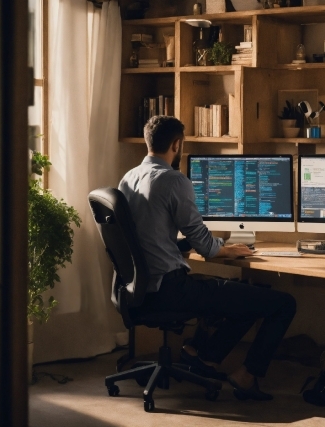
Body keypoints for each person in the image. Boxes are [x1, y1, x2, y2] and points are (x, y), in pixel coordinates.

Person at [118, 115, 297, 401]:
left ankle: (202, 355)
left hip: (138, 289)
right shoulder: (173, 180)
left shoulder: (128, 178)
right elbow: (207, 247)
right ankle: (245, 376)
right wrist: (225, 249)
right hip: (171, 290)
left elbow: (146, 234)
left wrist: (179, 245)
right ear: (177, 144)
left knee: (248, 296)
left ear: (148, 141)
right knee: (284, 304)